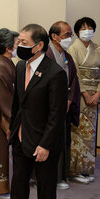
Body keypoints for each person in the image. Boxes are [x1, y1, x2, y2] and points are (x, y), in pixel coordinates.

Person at [9, 24, 67, 199]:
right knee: (18, 190)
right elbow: (18, 103)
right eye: (19, 42)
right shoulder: (19, 67)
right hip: (20, 138)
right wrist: (12, 129)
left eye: (24, 43)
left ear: (39, 45)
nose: (19, 46)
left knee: (45, 192)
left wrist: (45, 145)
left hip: (43, 143)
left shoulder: (55, 73)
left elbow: (56, 115)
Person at [46, 21, 81, 189]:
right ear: (54, 36)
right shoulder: (45, 54)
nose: (70, 38)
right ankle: (45, 177)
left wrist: (69, 100)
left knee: (63, 140)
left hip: (64, 106)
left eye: (70, 35)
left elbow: (74, 79)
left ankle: (60, 176)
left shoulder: (67, 56)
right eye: (67, 35)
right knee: (49, 140)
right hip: (49, 107)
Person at [68, 17, 100, 184]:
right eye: (83, 28)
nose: (87, 30)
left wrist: (97, 93)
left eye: (90, 27)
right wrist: (85, 94)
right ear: (78, 31)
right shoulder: (73, 49)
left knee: (90, 134)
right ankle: (75, 171)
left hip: (95, 94)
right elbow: (75, 74)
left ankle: (86, 169)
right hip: (80, 95)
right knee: (78, 131)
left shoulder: (98, 48)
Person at [0, 28, 19, 199]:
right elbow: (4, 95)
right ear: (8, 47)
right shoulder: (0, 64)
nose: (18, 47)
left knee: (1, 149)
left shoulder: (4, 62)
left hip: (2, 110)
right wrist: (9, 115)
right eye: (17, 44)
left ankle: (1, 185)